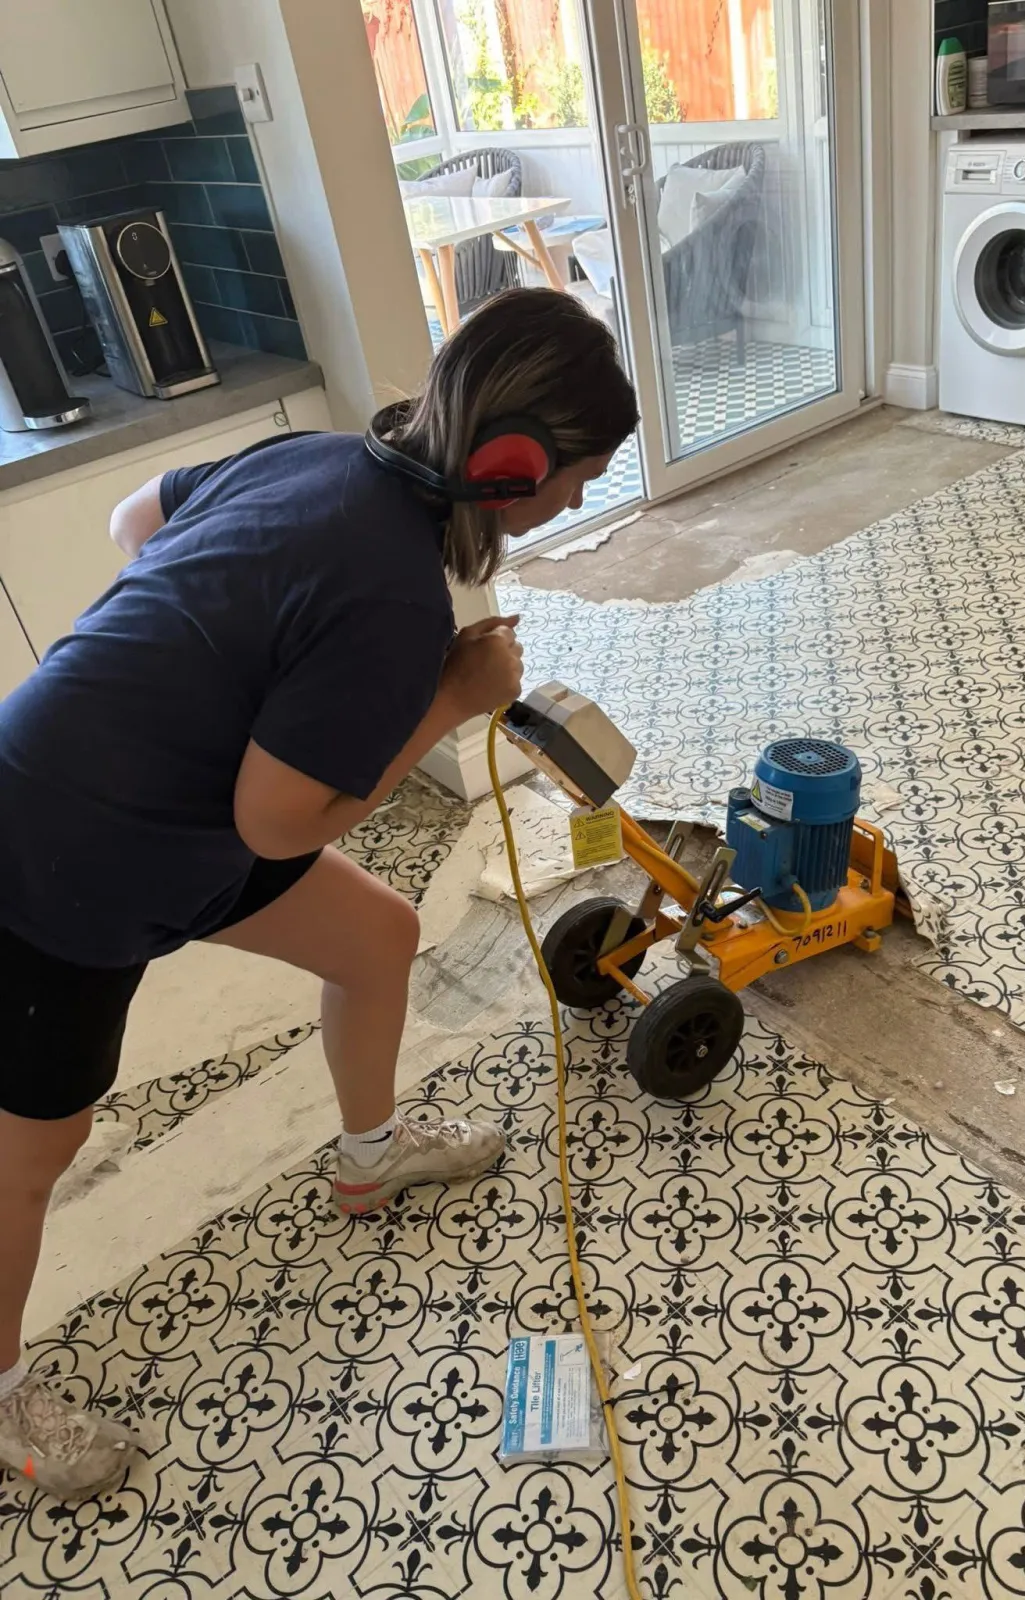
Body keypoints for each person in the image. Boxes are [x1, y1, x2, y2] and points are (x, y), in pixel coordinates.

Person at [0, 287, 639, 1499]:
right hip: (54, 851)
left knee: (378, 936)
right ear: (512, 466)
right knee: (27, 1158)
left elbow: (133, 521)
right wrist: (449, 699)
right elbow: (279, 819)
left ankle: (367, 1155)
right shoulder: (394, 596)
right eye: (584, 475)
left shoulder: (324, 454)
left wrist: (209, 673)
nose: (584, 497)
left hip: (176, 820)